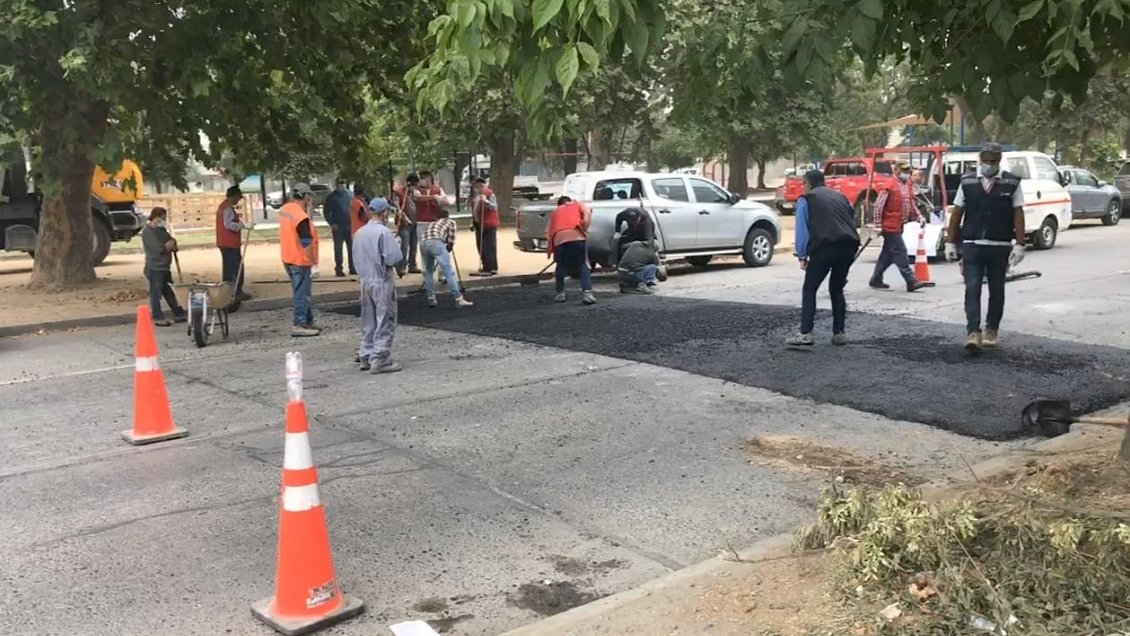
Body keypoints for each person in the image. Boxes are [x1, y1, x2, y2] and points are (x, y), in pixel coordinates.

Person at [944, 142, 1026, 352]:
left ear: (999, 160)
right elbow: (957, 212)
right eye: (987, 160)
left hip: (1000, 245)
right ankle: (973, 332)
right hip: (972, 244)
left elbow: (1018, 213)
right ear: (981, 159)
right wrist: (950, 241)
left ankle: (992, 330)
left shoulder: (1011, 183)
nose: (990, 164)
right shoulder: (968, 182)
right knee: (972, 289)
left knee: (996, 289)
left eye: (994, 161)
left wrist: (1020, 244)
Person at [788, 170, 861, 346]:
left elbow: (802, 230)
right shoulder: (840, 197)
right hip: (848, 245)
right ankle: (839, 332)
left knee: (810, 288)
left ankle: (806, 332)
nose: (803, 187)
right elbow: (850, 219)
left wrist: (802, 254)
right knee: (836, 289)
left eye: (803, 184)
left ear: (808, 184)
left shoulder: (807, 200)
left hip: (825, 246)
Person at [353, 197, 404, 373]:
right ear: (384, 213)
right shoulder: (384, 233)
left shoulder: (359, 233)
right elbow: (393, 258)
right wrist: (398, 244)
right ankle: (380, 358)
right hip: (381, 279)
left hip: (365, 280)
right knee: (385, 320)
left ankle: (366, 354)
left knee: (368, 320)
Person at [869, 161, 932, 292]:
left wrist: (919, 216)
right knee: (900, 250)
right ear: (896, 170)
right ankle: (911, 281)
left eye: (908, 171)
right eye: (904, 170)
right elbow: (879, 206)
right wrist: (877, 225)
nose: (906, 173)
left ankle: (876, 278)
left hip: (899, 224)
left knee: (888, 254)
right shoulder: (889, 185)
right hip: (889, 225)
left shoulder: (907, 184)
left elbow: (910, 203)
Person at [279, 183, 321, 337]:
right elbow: (306, 243)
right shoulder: (301, 217)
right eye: (309, 196)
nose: (310, 199)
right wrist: (314, 263)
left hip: (288, 257)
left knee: (301, 291)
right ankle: (299, 323)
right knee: (302, 293)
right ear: (305, 196)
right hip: (300, 259)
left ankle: (307, 321)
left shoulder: (285, 209)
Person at [419, 206, 474, 308]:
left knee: (428, 271)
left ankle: (431, 298)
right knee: (447, 270)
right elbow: (451, 239)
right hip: (436, 242)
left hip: (423, 242)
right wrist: (449, 247)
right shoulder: (450, 222)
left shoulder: (433, 223)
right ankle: (458, 298)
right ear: (448, 216)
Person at [546, 196, 596, 305]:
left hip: (559, 239)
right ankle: (587, 293)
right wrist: (584, 227)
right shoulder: (578, 204)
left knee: (561, 266)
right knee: (583, 264)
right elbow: (587, 214)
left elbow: (548, 232)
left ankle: (560, 293)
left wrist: (551, 250)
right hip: (577, 236)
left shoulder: (555, 211)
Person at [141, 207, 186, 326]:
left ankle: (178, 313)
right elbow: (157, 249)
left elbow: (170, 240)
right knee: (156, 293)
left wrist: (173, 244)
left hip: (164, 267)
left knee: (169, 291)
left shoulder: (161, 230)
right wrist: (168, 245)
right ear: (155, 217)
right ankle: (157, 317)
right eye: (162, 218)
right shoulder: (147, 232)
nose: (163, 220)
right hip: (155, 267)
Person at [215, 185, 251, 302]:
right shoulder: (227, 208)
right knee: (236, 268)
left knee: (228, 268)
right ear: (234, 196)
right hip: (230, 243)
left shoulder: (223, 207)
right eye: (238, 198)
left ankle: (229, 291)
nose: (238, 200)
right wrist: (242, 226)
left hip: (224, 242)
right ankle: (236, 291)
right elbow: (228, 224)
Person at [324, 179, 355, 277]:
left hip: (349, 225)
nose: (342, 185)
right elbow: (326, 212)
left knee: (351, 248)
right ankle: (339, 269)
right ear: (336, 185)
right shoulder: (331, 197)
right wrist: (331, 223)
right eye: (340, 183)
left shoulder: (349, 195)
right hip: (338, 226)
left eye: (343, 183)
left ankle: (353, 268)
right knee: (338, 249)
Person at [470, 177, 499, 276]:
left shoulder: (489, 194)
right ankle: (485, 265)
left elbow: (494, 207)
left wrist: (486, 201)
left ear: (482, 186)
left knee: (488, 246)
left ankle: (491, 267)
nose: (476, 189)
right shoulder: (476, 196)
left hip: (489, 224)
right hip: (479, 224)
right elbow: (475, 210)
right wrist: (473, 222)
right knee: (481, 246)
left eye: (477, 187)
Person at [394, 173, 421, 275]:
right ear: (409, 183)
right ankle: (401, 266)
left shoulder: (415, 193)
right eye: (414, 185)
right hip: (404, 223)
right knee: (404, 246)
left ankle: (412, 265)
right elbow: (396, 203)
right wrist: (400, 212)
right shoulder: (400, 192)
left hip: (415, 222)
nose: (415, 187)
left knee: (414, 245)